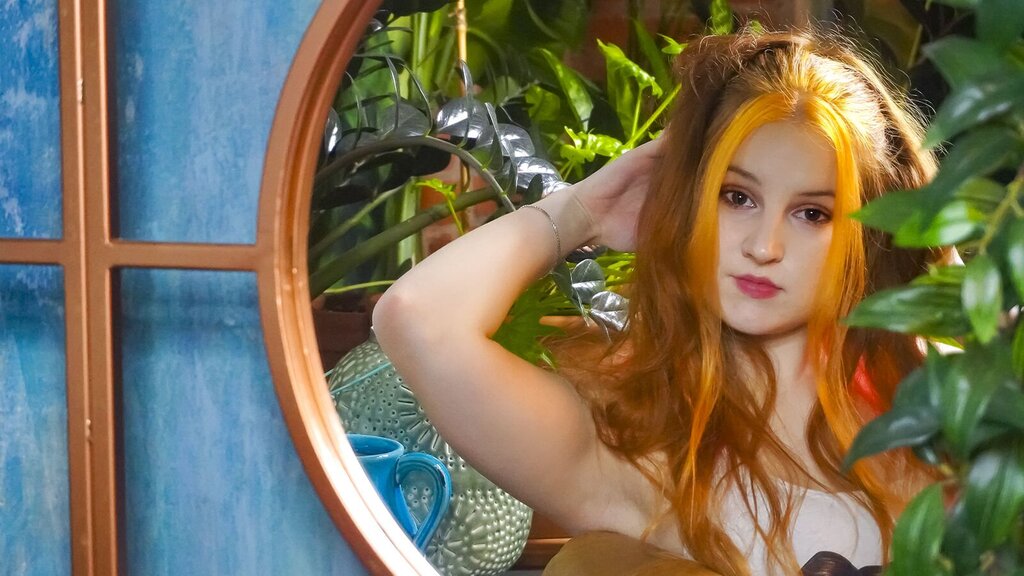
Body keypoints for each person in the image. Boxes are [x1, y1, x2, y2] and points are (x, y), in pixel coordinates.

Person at [371, 28, 943, 576]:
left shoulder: (939, 423)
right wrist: (583, 210)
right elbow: (417, 319)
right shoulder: (637, 458)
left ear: (868, 235)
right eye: (736, 197)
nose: (763, 247)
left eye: (812, 213)